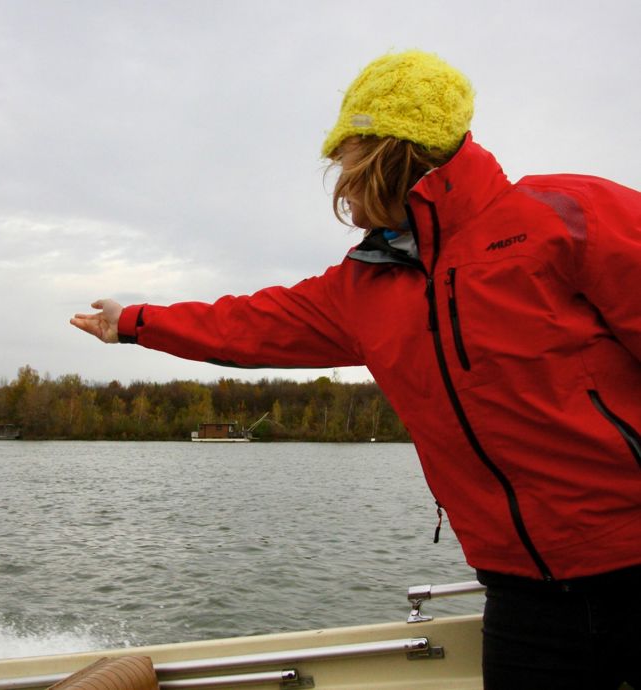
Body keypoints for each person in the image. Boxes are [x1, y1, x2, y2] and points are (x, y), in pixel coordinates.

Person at [70, 50, 641, 689]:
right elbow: (249, 324)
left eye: (344, 154)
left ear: (385, 149)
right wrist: (137, 323)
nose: (337, 174)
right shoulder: (365, 283)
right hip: (522, 594)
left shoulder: (567, 215)